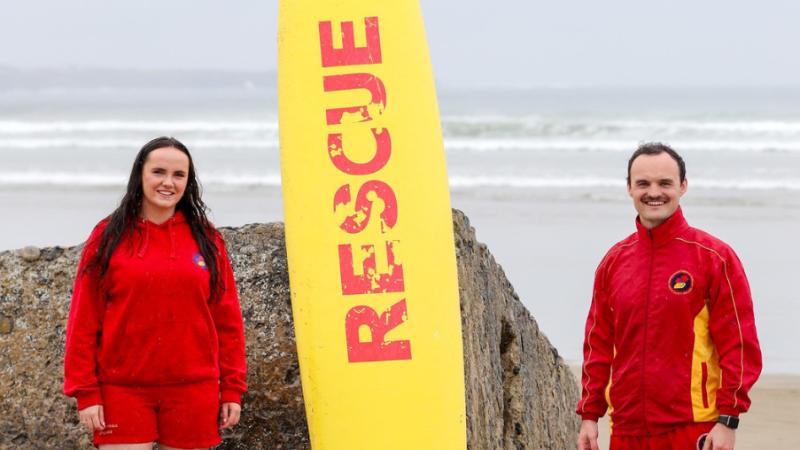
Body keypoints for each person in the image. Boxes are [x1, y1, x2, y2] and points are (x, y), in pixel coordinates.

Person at [64, 136, 247, 449]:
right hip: (122, 390)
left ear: (188, 183)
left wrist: (232, 389)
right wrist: (86, 392)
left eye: (179, 175)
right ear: (140, 175)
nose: (168, 182)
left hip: (194, 389)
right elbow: (83, 319)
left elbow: (227, 319)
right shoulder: (108, 236)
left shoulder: (207, 238)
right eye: (158, 172)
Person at [576, 143, 762, 450]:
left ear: (683, 186)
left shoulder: (714, 258)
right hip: (626, 430)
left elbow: (739, 345)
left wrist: (728, 419)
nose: (654, 192)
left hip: (693, 429)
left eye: (665, 183)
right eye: (643, 184)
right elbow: (597, 346)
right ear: (629, 189)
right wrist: (589, 415)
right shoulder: (614, 262)